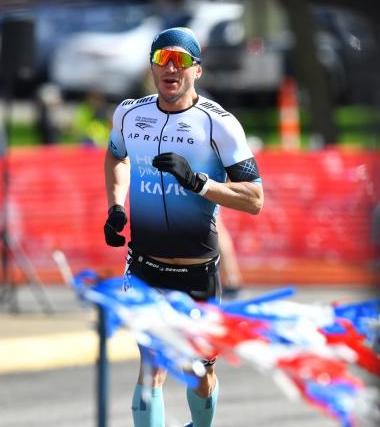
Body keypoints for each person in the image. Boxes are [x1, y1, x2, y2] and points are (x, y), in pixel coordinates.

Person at [103, 26, 263, 427]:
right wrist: (116, 207)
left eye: (180, 60)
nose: (170, 68)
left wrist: (199, 183)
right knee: (149, 373)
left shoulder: (218, 124)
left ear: (197, 70)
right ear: (151, 68)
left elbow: (255, 199)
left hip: (198, 272)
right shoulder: (129, 113)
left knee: (199, 373)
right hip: (146, 266)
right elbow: (115, 156)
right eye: (162, 59)